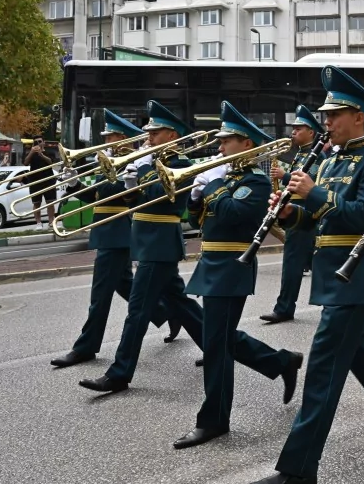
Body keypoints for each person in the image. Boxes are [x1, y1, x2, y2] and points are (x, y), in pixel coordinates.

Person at [244, 66, 364, 484]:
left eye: (334, 115)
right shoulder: (330, 160)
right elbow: (313, 219)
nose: (325, 122)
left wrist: (313, 194)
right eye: (326, 115)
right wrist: (290, 212)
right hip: (333, 272)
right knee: (361, 355)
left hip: (357, 275)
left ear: (360, 117)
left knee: (323, 373)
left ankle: (297, 473)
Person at [172, 101, 304, 449]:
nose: (219, 148)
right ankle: (282, 361)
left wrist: (212, 188)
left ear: (246, 144)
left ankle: (214, 420)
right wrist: (197, 198)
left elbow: (232, 214)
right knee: (220, 338)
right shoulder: (227, 177)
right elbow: (196, 221)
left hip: (232, 267)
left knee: (216, 344)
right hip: (212, 266)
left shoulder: (255, 183)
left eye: (225, 141)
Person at [79, 101, 207, 394]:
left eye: (156, 132)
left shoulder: (181, 165)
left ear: (173, 135)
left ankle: (119, 373)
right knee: (182, 304)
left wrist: (143, 169)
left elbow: (166, 199)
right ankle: (224, 347)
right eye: (149, 132)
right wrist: (129, 182)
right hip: (147, 242)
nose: (148, 138)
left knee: (137, 311)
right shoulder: (150, 161)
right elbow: (134, 201)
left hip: (161, 242)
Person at [51, 110, 177, 369]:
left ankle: (86, 347)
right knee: (126, 287)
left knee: (100, 295)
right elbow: (96, 197)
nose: (107, 142)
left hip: (118, 233)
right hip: (107, 232)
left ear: (125, 139)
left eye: (112, 137)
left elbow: (121, 196)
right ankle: (167, 313)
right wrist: (73, 184)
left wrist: (119, 173)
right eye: (107, 137)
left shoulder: (130, 162)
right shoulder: (109, 161)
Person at [261, 105, 324, 324]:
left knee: (295, 263)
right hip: (295, 213)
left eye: (299, 128)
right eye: (294, 128)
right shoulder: (300, 154)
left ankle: (284, 308)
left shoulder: (318, 155)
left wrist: (284, 175)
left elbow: (310, 183)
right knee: (313, 265)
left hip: (307, 213)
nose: (293, 132)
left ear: (311, 132)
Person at [24, 136, 58, 230]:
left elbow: (51, 162)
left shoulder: (49, 152)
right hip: (35, 181)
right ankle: (38, 223)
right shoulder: (30, 153)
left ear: (44, 142)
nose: (38, 143)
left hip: (48, 180)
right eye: (35, 142)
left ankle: (51, 221)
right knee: (36, 203)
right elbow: (25, 163)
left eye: (39, 141)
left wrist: (41, 154)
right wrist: (32, 152)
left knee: (50, 202)